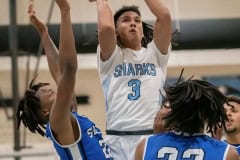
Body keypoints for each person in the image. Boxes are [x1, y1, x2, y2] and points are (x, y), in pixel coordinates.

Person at [16, 0, 112, 159]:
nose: (48, 89)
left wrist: (44, 33)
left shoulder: (68, 117)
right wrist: (65, 12)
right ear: (45, 111)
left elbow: (60, 71)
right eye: (44, 94)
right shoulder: (57, 120)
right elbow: (68, 70)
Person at [89, 0, 172, 159]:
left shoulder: (156, 54)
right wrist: (101, 2)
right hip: (117, 138)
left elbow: (164, 16)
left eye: (137, 20)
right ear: (116, 31)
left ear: (142, 31)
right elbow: (106, 28)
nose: (133, 23)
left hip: (150, 136)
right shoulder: (111, 57)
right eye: (126, 20)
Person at [134, 78, 239, 160]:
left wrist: (157, 141)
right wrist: (216, 145)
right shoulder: (227, 153)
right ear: (208, 114)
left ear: (175, 111)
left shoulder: (145, 146)